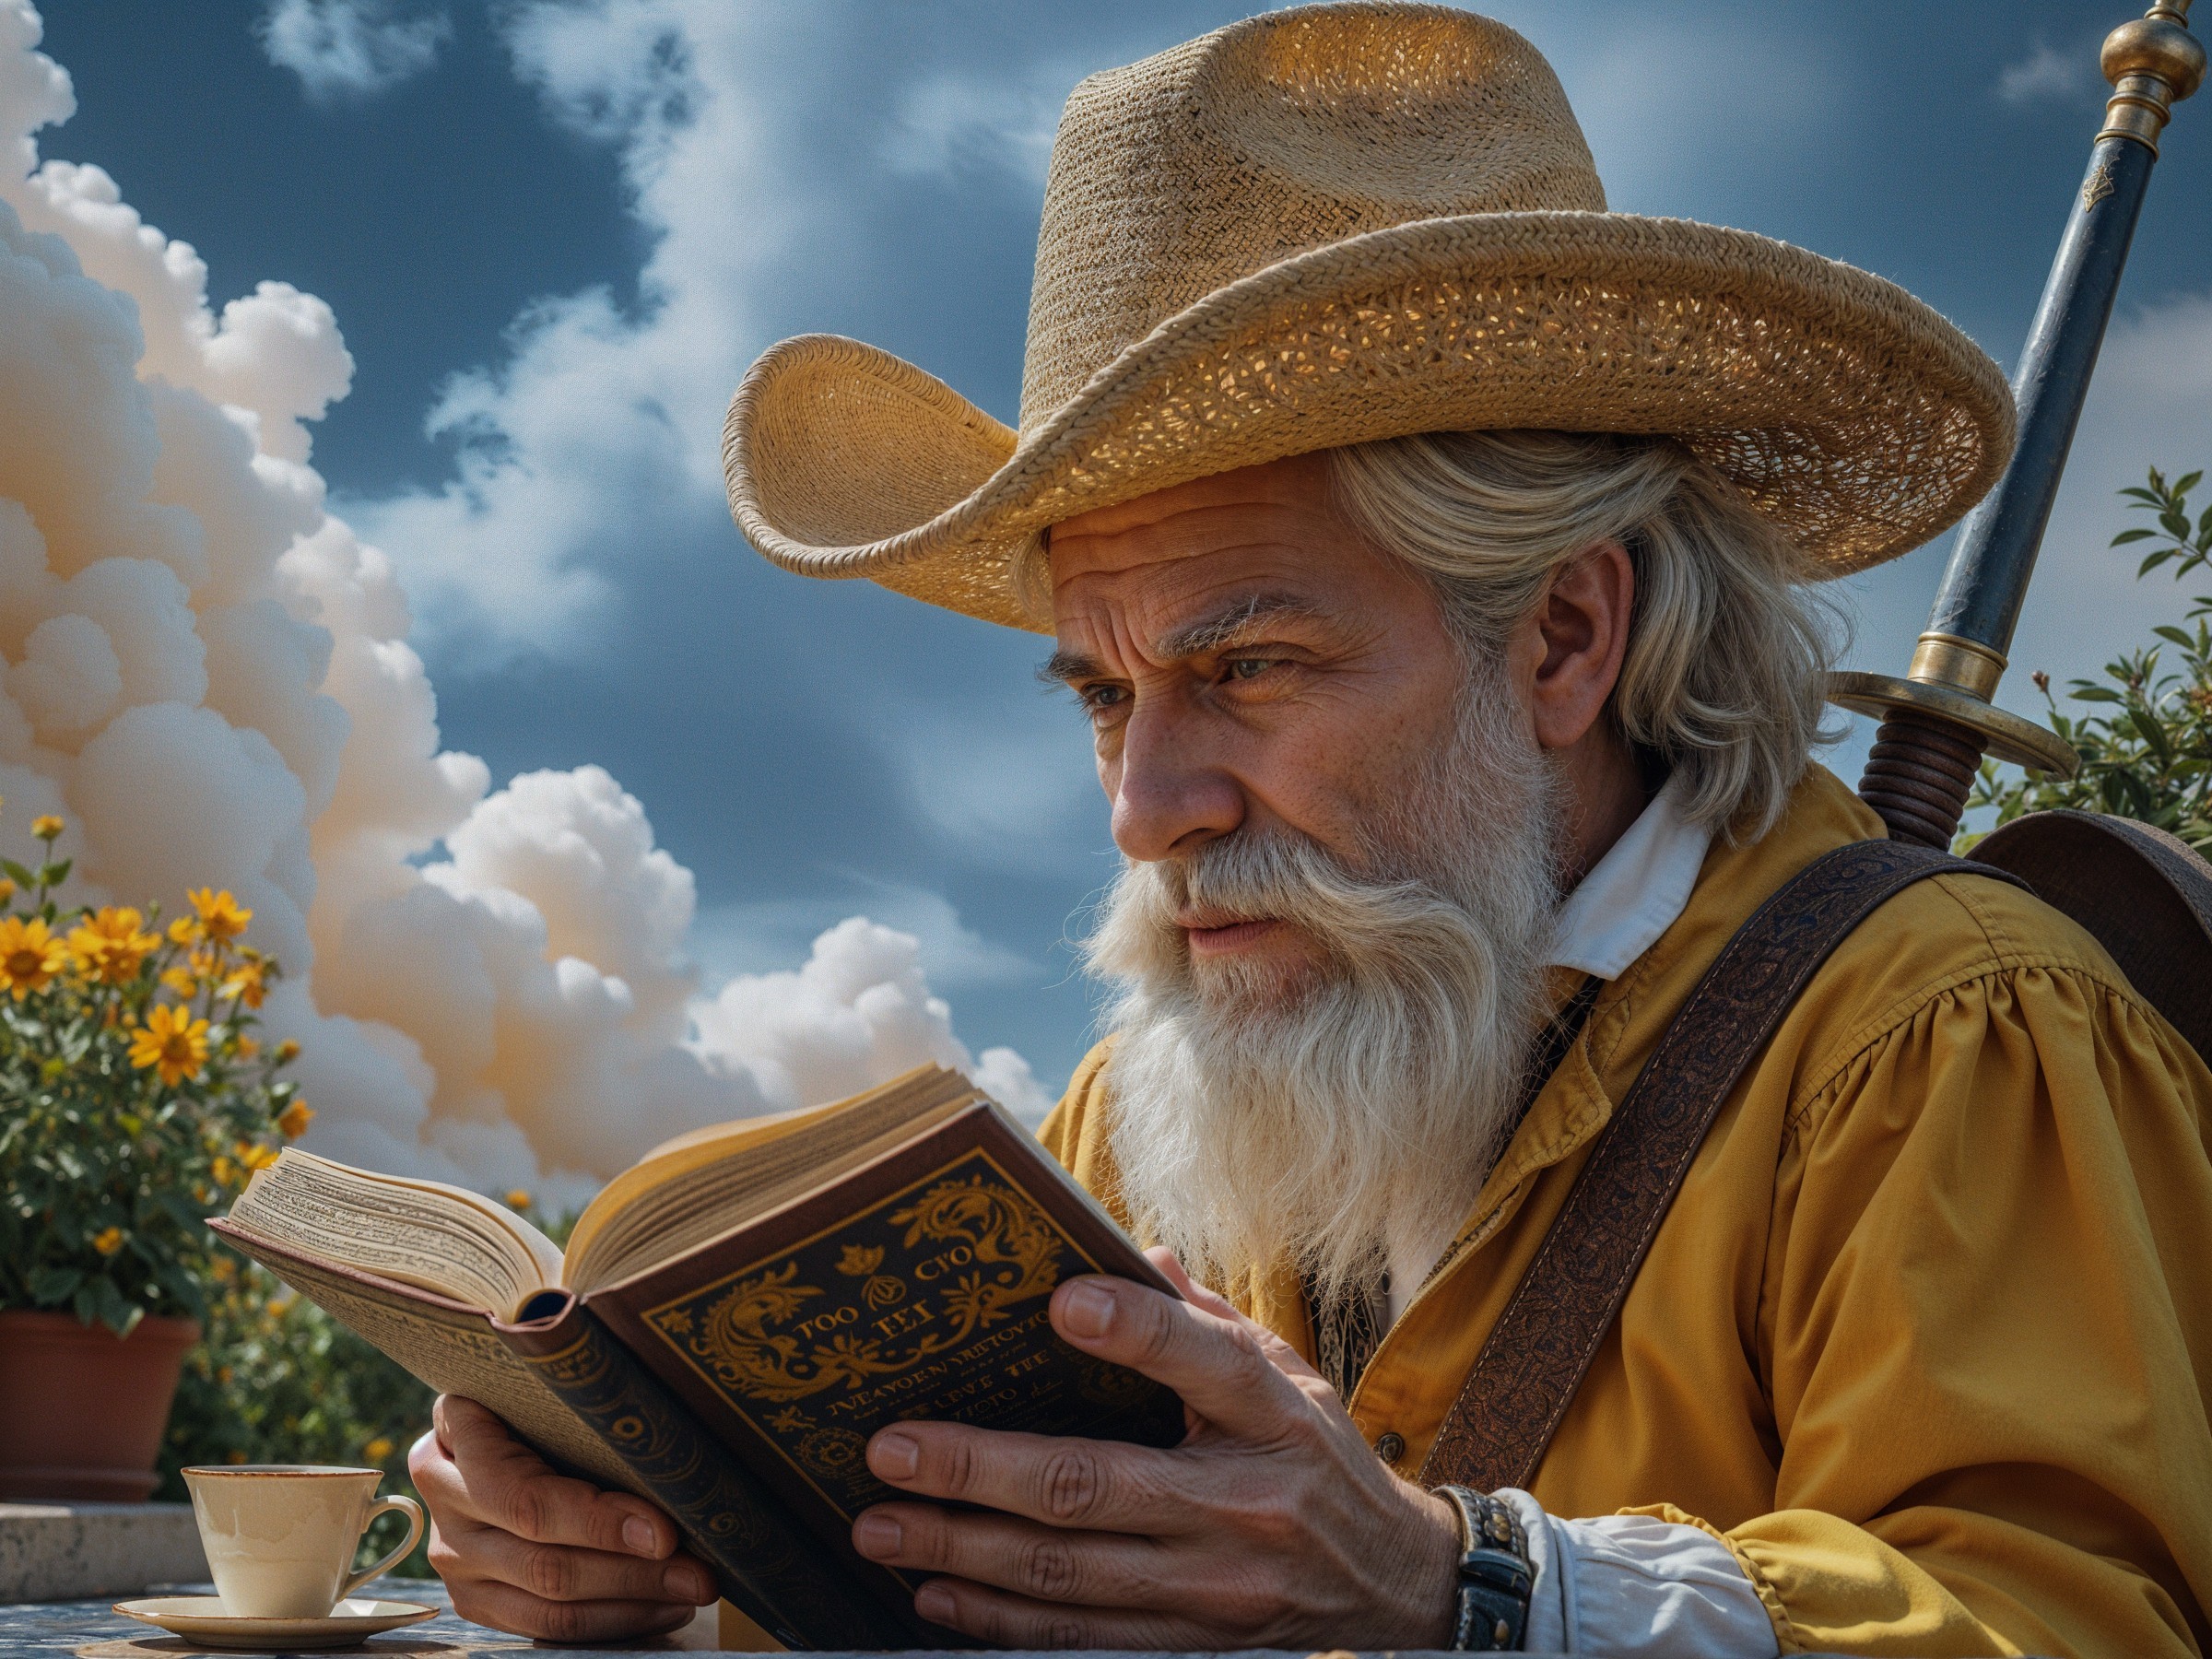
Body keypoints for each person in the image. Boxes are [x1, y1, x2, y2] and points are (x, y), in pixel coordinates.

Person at [408, 6, 2212, 1654]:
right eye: (1104, 696)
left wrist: (1464, 1590)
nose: (1143, 809)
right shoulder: (1149, 1101)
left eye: (1249, 666)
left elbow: (2071, 1619)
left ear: (1567, 639)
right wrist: (657, 1562)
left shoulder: (1940, 1036)